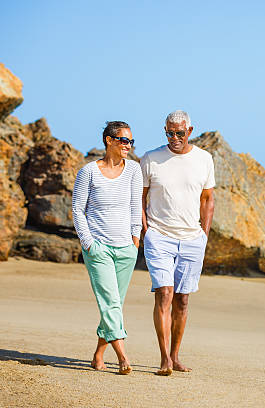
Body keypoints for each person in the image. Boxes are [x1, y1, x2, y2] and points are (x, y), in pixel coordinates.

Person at [141, 110, 215, 375]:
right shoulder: (150, 159)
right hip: (159, 236)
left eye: (179, 133)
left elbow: (207, 199)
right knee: (164, 294)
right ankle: (164, 359)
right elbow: (140, 196)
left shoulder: (204, 159)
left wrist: (204, 234)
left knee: (182, 300)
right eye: (169, 132)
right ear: (165, 130)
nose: (174, 138)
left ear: (190, 131)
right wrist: (145, 228)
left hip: (192, 239)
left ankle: (175, 356)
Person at [72, 121, 142, 375]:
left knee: (113, 305)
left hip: (125, 249)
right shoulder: (88, 172)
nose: (128, 146)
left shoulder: (134, 170)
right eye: (124, 140)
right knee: (111, 303)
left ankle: (98, 354)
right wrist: (88, 243)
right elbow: (78, 209)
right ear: (108, 141)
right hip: (98, 248)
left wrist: (135, 240)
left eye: (131, 141)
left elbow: (136, 207)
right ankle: (123, 357)